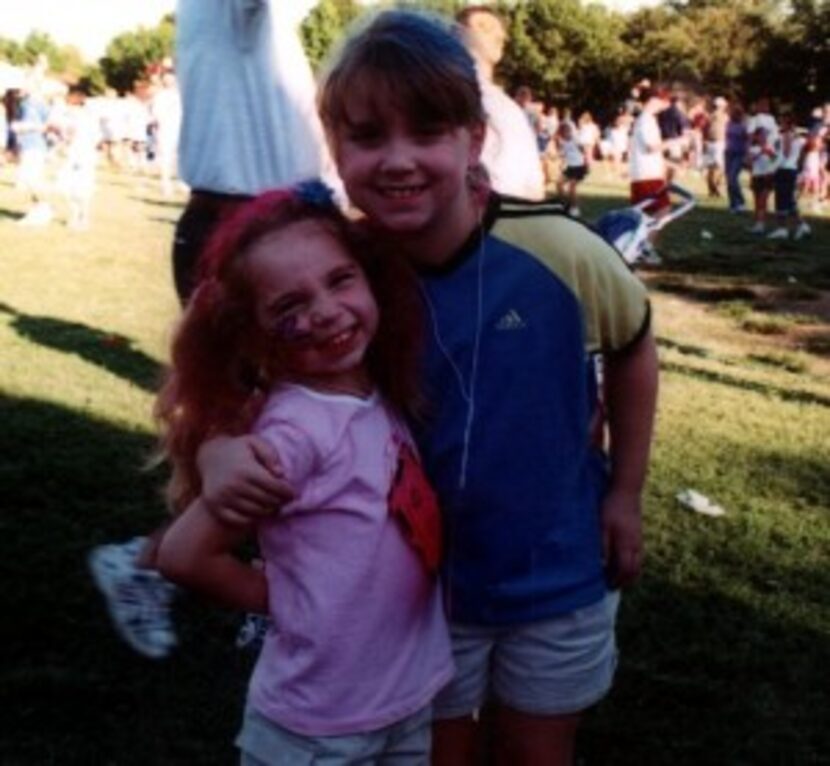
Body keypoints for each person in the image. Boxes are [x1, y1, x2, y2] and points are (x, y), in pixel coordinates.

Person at [198, 11, 659, 766]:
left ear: (475, 139)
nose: (398, 160)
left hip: (560, 571)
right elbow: (234, 368)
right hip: (420, 595)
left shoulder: (557, 250)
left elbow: (634, 346)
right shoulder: (341, 273)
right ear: (335, 149)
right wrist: (219, 448)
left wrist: (626, 492)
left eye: (428, 132)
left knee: (537, 755)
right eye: (368, 136)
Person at [154, 183, 453, 764]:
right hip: (317, 725)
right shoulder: (294, 434)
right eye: (288, 307)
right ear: (252, 333)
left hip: (403, 698)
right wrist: (284, 601)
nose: (324, 311)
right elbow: (184, 555)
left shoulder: (372, 390)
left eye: (340, 280)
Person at [87, 0, 333, 660]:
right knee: (276, 421)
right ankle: (150, 563)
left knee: (276, 419)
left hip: (264, 224)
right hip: (241, 228)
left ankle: (168, 565)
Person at [456, 5, 545, 200]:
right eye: (484, 27)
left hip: (520, 220)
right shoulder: (448, 93)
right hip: (483, 219)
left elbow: (531, 178)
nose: (498, 34)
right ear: (457, 32)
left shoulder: (507, 105)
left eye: (500, 30)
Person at [767, 114, 810, 241]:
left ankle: (782, 229)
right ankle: (801, 225)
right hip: (792, 170)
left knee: (781, 200)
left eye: (782, 122)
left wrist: (772, 167)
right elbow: (800, 157)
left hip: (784, 170)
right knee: (789, 200)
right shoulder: (799, 138)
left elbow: (784, 154)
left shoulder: (785, 136)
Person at [747, 125, 779, 235]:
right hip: (757, 176)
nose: (763, 137)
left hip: (767, 177)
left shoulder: (770, 147)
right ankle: (757, 224)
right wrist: (761, 152)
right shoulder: (753, 148)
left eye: (765, 135)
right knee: (757, 202)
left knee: (763, 201)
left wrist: (769, 152)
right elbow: (750, 162)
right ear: (756, 137)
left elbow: (776, 159)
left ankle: (761, 225)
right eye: (761, 135)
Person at [555, 120, 587, 216]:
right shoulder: (562, 142)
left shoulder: (575, 140)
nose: (565, 133)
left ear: (569, 131)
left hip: (579, 166)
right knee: (559, 184)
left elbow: (583, 151)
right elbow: (563, 154)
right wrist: (561, 162)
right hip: (570, 167)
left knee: (572, 188)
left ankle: (575, 209)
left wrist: (587, 163)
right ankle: (564, 204)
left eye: (566, 131)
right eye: (562, 132)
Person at [724, 102, 749, 213]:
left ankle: (741, 201)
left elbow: (747, 140)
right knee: (729, 179)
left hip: (739, 153)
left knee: (733, 178)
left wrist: (746, 155)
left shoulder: (743, 126)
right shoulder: (729, 123)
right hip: (729, 153)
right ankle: (733, 204)